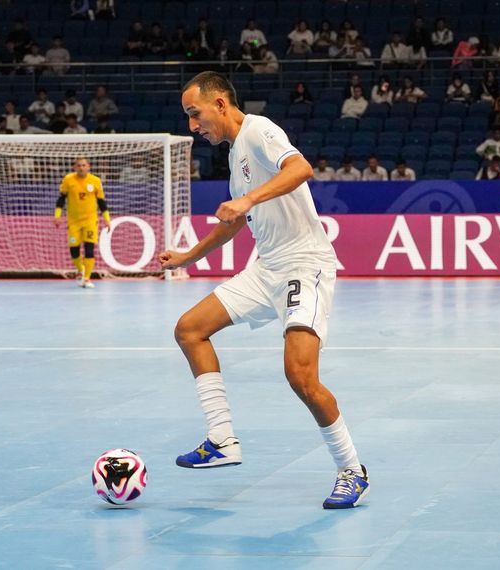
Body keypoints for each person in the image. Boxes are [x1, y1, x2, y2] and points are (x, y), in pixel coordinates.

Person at [158, 71, 369, 508]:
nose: (192, 126)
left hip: (304, 265)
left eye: (195, 114)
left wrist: (249, 199)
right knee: (190, 329)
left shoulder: (259, 130)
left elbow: (301, 168)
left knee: (301, 376)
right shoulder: (236, 154)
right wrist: (187, 258)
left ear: (220, 104)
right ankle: (222, 439)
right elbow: (233, 222)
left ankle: (352, 469)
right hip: (266, 268)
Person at [54, 157, 111, 289]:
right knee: (74, 249)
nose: (81, 168)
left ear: (88, 167)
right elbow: (61, 199)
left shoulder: (95, 181)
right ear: (75, 167)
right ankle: (81, 269)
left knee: (89, 249)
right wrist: (57, 216)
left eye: (84, 165)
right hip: (73, 221)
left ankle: (87, 278)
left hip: (90, 220)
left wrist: (107, 219)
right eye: (79, 165)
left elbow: (101, 202)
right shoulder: (68, 179)